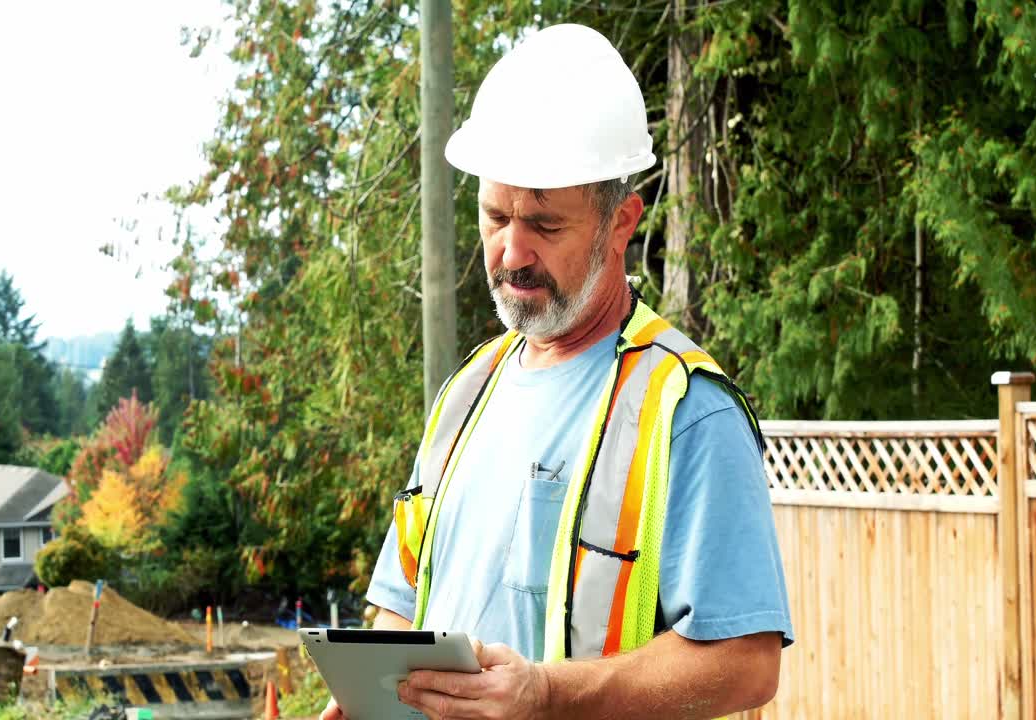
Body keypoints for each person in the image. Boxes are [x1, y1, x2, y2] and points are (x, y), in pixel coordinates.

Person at [322, 23, 791, 720]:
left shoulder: (686, 409)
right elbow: (400, 602)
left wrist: (548, 694)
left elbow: (747, 661)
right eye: (494, 216)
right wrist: (373, 699)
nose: (511, 253)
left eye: (543, 225)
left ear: (620, 222)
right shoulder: (467, 395)